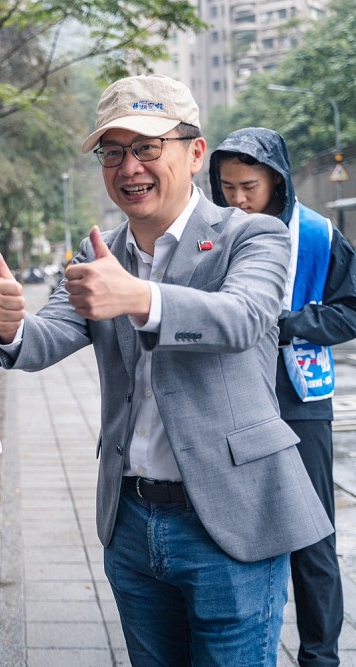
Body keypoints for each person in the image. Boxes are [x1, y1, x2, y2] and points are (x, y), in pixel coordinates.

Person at [0, 74, 333, 666]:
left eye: (148, 147)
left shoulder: (253, 234)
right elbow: (47, 338)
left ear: (195, 153)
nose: (129, 167)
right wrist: (10, 324)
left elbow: (244, 318)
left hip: (231, 519)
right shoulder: (100, 252)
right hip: (132, 520)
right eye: (113, 152)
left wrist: (140, 298)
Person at [210, 127, 356, 667]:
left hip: (299, 399)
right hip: (230, 400)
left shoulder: (316, 235)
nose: (237, 199)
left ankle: (320, 657)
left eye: (248, 186)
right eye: (226, 187)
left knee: (314, 538)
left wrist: (291, 325)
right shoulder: (214, 231)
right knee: (239, 534)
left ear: (277, 178)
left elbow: (352, 308)